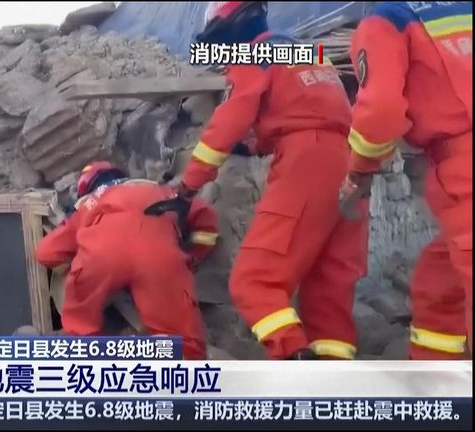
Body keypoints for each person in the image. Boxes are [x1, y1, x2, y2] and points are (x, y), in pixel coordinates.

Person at [151, 1, 369, 360]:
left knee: (254, 281)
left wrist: (187, 187)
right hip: (350, 159)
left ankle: (294, 359)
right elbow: (309, 106)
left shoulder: (253, 55)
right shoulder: (307, 53)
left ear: (230, 29)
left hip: (308, 162)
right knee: (328, 287)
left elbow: (228, 123)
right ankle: (334, 380)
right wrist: (258, 143)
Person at [339, 1, 472, 359]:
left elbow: (380, 110)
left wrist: (359, 172)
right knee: (438, 285)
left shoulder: (386, 19)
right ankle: (435, 386)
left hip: (464, 169)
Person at [35, 162, 219, 359]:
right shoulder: (162, 191)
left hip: (101, 257)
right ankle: (189, 376)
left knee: (80, 323)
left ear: (88, 187)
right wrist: (194, 256)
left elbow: (45, 252)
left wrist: (77, 252)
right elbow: (205, 216)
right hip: (157, 258)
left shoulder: (90, 204)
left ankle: (85, 361)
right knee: (183, 340)